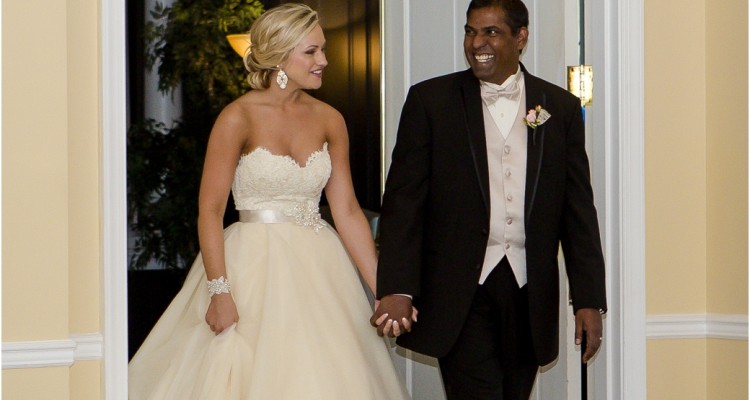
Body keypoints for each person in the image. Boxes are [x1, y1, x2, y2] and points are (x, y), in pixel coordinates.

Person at [128, 4, 410, 399]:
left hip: (321, 268)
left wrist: (384, 289)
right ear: (279, 55)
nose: (323, 61)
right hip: (250, 268)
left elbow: (346, 210)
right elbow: (209, 211)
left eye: (323, 50)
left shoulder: (330, 119)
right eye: (311, 51)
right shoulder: (237, 117)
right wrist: (219, 292)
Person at [371, 0, 608, 398]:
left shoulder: (560, 107)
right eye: (470, 31)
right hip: (459, 292)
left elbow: (577, 210)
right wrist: (396, 287)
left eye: (491, 32)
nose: (476, 42)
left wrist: (588, 299)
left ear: (521, 37)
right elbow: (403, 203)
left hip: (529, 291)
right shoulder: (431, 101)